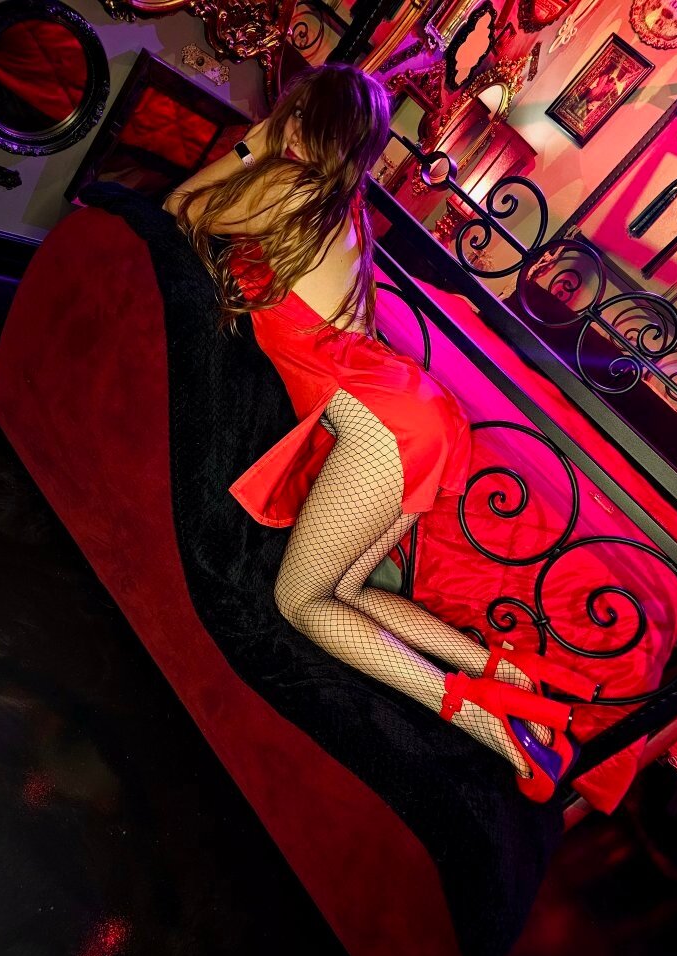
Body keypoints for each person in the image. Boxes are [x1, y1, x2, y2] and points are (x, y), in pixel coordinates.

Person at [163, 64, 593, 802]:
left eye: (292, 110)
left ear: (307, 118)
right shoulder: (347, 207)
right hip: (414, 410)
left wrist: (251, 145)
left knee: (301, 603)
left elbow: (180, 206)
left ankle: (493, 724)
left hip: (385, 422)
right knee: (348, 589)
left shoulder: (288, 187)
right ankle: (516, 679)